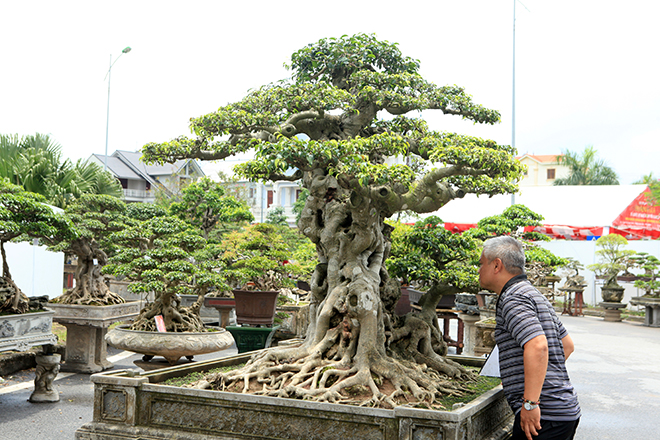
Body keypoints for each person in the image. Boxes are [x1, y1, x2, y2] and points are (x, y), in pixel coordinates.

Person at [478, 236, 580, 440]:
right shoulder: (532, 293)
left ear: (496, 265)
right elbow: (566, 345)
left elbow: (538, 345)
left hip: (544, 417)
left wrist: (530, 402)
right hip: (563, 411)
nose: (478, 270)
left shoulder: (513, 297)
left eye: (481, 263)